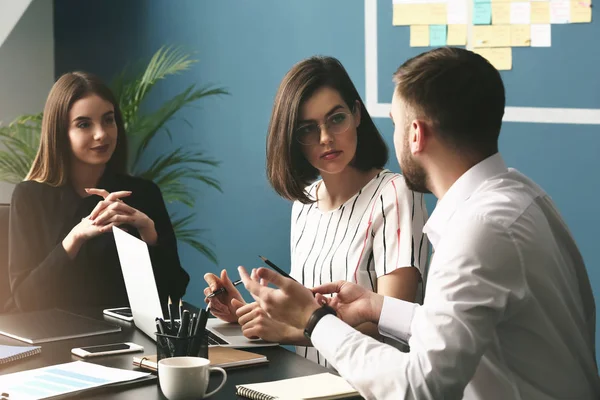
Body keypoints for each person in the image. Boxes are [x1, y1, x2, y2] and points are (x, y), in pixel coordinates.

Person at [237, 47, 600, 399]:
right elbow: (453, 326)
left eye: (395, 123)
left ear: (415, 134)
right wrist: (377, 307)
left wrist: (314, 320)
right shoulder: (522, 196)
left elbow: (419, 388)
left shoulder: (477, 231)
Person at [204, 56, 428, 366]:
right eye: (308, 130)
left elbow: (392, 323)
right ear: (293, 140)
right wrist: (246, 313)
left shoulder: (395, 193)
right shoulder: (304, 203)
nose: (325, 138)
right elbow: (308, 308)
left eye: (336, 119)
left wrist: (289, 331)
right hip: (308, 384)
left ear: (357, 114)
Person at [7, 71, 189, 314]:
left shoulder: (144, 193)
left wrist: (149, 233)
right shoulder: (30, 197)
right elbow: (25, 300)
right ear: (61, 132)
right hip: (56, 341)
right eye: (84, 124)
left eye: (108, 120)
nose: (101, 134)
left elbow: (174, 291)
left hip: (129, 340)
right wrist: (75, 238)